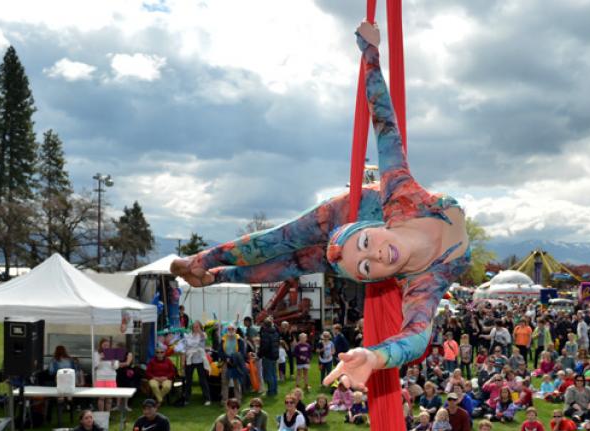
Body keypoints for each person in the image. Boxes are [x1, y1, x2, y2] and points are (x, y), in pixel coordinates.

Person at [173, 23, 469, 392]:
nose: (375, 257)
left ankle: (215, 276)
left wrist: (371, 54)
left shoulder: (403, 204)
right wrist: (371, 54)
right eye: (366, 259)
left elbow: (384, 123)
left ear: (367, 280)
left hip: (351, 224)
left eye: (366, 265)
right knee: (281, 240)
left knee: (293, 264)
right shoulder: (432, 268)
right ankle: (201, 260)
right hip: (349, 218)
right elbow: (383, 125)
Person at [182, 321, 212, 406]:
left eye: (197, 326)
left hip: (200, 360)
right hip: (190, 360)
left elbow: (204, 338)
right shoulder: (188, 336)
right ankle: (186, 399)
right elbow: (185, 348)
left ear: (200, 327)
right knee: (188, 380)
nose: (195, 328)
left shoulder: (203, 335)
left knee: (203, 380)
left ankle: (207, 399)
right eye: (194, 326)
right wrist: (183, 361)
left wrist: (199, 331)